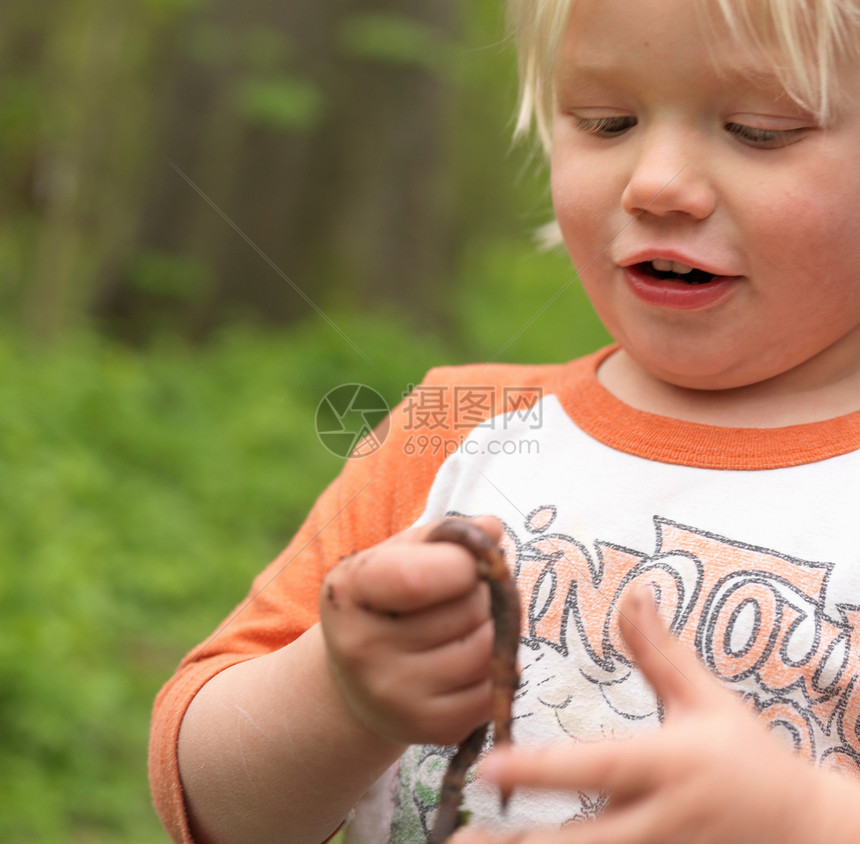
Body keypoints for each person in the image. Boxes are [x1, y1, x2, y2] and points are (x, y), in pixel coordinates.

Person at [148, 0, 860, 841]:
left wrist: (811, 821)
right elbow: (214, 808)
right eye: (607, 121)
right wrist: (338, 696)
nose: (655, 181)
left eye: (759, 128)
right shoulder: (465, 429)